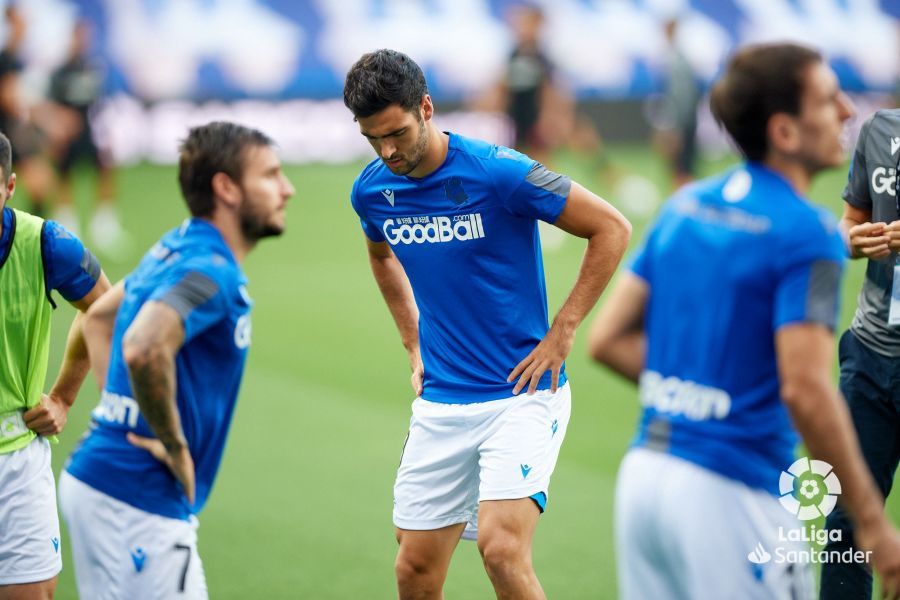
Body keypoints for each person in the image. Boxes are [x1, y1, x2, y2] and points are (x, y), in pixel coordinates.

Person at [587, 43, 900, 599]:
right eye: (830, 100)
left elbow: (607, 340)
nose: (849, 111)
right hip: (732, 497)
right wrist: (873, 525)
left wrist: (702, 395)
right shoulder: (810, 233)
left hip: (645, 480)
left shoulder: (686, 205)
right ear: (785, 131)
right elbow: (805, 390)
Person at [343, 49, 631, 599]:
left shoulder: (501, 172)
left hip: (522, 393)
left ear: (426, 108)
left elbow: (611, 228)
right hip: (441, 404)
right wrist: (412, 343)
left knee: (500, 550)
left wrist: (563, 329)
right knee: (414, 571)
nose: (388, 151)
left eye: (398, 132)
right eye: (372, 138)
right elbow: (381, 257)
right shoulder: (371, 190)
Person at [58, 121, 294, 599]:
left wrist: (118, 410)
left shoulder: (179, 244)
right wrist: (174, 446)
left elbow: (100, 317)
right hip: (138, 498)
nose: (286, 189)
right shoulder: (211, 272)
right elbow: (144, 344)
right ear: (226, 188)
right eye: (270, 175)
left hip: (102, 482)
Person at [0, 130, 110, 597]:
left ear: (9, 186)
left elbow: (106, 310)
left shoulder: (47, 244)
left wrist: (65, 396)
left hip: (15, 464)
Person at [820, 108, 900, 599]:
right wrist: (854, 239)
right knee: (847, 523)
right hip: (870, 355)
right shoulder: (879, 129)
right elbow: (850, 221)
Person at [47, 19, 129, 254]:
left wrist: (107, 130)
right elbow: (50, 104)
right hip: (67, 135)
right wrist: (58, 124)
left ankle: (104, 225)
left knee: (105, 170)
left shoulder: (93, 69)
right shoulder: (61, 71)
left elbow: (101, 103)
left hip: (91, 131)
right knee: (64, 175)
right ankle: (67, 223)